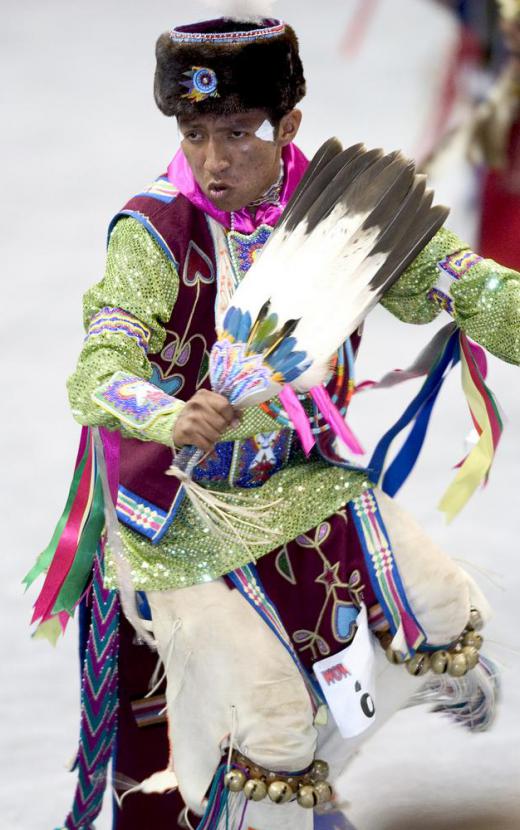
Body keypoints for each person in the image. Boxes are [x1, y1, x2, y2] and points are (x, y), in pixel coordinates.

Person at [28, 12, 520, 830]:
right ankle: (277, 801)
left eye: (238, 133)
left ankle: (302, 781)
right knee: (270, 717)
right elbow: (97, 369)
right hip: (176, 515)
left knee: (443, 610)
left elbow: (465, 286)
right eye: (194, 134)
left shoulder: (341, 217)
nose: (213, 162)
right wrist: (166, 410)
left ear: (289, 125)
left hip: (298, 486)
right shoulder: (155, 232)